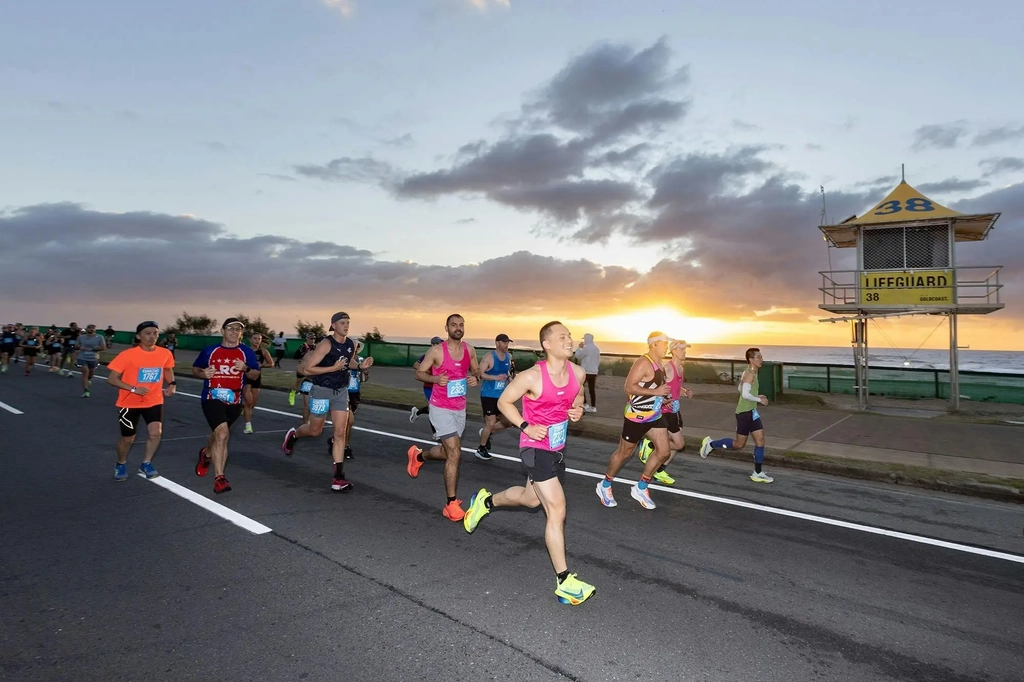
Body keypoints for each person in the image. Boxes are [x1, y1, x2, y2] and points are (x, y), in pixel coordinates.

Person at [463, 321, 595, 605]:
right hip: (536, 447)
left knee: (530, 500)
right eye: (562, 337)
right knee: (556, 508)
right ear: (547, 344)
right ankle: (564, 581)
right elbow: (504, 402)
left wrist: (578, 408)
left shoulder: (578, 373)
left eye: (569, 336)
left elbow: (578, 395)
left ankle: (484, 502)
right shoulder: (531, 376)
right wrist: (525, 426)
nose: (569, 340)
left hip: (558, 446)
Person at [281, 312, 373, 492]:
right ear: (333, 325)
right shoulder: (326, 344)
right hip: (321, 391)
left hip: (341, 392)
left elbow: (349, 362)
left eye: (348, 322)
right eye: (342, 323)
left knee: (340, 433)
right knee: (315, 431)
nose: (346, 326)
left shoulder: (351, 344)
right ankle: (294, 435)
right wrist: (333, 368)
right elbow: (308, 369)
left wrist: (361, 366)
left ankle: (338, 478)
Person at [405, 314, 480, 521]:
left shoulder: (470, 350)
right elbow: (419, 373)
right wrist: (436, 379)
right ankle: (451, 504)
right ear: (446, 328)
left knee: (448, 453)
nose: (458, 328)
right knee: (455, 453)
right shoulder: (437, 351)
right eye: (454, 325)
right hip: (440, 408)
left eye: (461, 324)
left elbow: (476, 369)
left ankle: (418, 456)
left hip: (459, 408)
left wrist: (475, 377)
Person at [596, 332, 673, 510]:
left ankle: (641, 487)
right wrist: (656, 393)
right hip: (636, 417)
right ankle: (605, 485)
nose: (666, 347)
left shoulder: (659, 364)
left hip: (654, 415)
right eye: (664, 343)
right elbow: (629, 387)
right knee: (624, 453)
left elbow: (652, 388)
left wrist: (663, 397)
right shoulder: (643, 362)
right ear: (653, 344)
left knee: (664, 452)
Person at [192, 318, 261, 494]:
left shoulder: (246, 353)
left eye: (238, 329)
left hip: (234, 400)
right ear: (223, 331)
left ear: (241, 333)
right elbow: (196, 368)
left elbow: (255, 375)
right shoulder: (211, 350)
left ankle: (207, 453)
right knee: (222, 434)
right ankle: (220, 478)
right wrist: (203, 373)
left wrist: (245, 368)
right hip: (212, 396)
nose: (234, 332)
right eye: (230, 328)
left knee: (218, 436)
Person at [105, 321, 176, 480]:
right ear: (139, 336)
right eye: (148, 333)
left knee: (155, 433)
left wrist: (172, 383)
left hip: (154, 400)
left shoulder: (164, 353)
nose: (152, 337)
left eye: (155, 333)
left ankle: (146, 462)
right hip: (129, 403)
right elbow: (111, 379)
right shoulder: (127, 355)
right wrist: (133, 388)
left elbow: (167, 368)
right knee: (128, 438)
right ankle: (121, 463)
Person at [700, 347, 774, 483]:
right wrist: (760, 400)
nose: (761, 359)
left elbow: (740, 388)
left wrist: (756, 396)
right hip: (744, 413)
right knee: (739, 444)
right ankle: (711, 444)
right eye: (758, 357)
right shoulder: (749, 374)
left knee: (760, 441)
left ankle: (757, 472)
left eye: (761, 357)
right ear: (751, 359)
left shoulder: (752, 372)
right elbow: (744, 394)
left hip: (752, 412)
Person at [637, 339, 693, 485]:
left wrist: (685, 391)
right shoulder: (667, 368)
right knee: (679, 444)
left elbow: (674, 385)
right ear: (673, 351)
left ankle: (659, 469)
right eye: (681, 349)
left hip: (675, 409)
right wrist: (663, 400)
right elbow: (657, 386)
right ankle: (650, 446)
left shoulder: (680, 369)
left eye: (685, 349)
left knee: (676, 444)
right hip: (664, 411)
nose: (684, 351)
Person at [475, 333, 514, 460]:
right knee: (490, 422)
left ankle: (487, 432)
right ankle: (481, 449)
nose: (506, 345)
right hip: (488, 395)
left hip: (502, 396)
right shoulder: (489, 357)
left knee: (508, 422)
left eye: (507, 343)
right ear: (497, 343)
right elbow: (479, 374)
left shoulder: (509, 356)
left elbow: (508, 373)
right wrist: (495, 377)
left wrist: (511, 380)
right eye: (504, 342)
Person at [333, 340, 371, 460]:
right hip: (343, 392)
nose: (355, 349)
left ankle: (336, 441)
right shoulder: (342, 359)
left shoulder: (360, 360)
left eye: (357, 348)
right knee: (349, 421)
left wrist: (365, 371)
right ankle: (345, 447)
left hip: (355, 393)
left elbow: (364, 378)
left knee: (347, 423)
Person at [409, 336, 443, 439]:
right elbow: (415, 365)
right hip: (429, 386)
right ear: (432, 345)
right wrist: (426, 371)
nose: (440, 346)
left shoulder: (443, 356)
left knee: (436, 408)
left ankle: (417, 412)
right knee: (433, 408)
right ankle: (435, 432)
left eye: (441, 344)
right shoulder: (427, 356)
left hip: (440, 386)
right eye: (438, 344)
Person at [242, 332, 275, 434]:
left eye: (259, 339)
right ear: (250, 339)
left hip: (256, 377)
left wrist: (262, 365)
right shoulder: (245, 350)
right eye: (255, 338)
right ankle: (248, 426)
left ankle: (244, 410)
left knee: (253, 403)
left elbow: (271, 363)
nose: (257, 340)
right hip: (246, 377)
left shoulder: (263, 351)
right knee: (248, 401)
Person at [76, 324, 108, 397]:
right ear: (87, 329)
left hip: (93, 358)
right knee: (85, 372)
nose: (91, 329)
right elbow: (76, 346)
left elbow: (103, 347)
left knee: (90, 374)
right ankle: (86, 390)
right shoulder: (81, 337)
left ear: (95, 330)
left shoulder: (99, 337)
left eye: (93, 328)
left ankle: (88, 379)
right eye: (90, 328)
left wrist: (92, 349)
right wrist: (80, 347)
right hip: (82, 357)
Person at [288, 333, 318, 407]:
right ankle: (292, 393)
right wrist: (303, 356)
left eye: (314, 338)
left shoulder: (316, 347)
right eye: (311, 338)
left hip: (311, 368)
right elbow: (295, 356)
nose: (312, 340)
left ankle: (310, 398)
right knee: (298, 382)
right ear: (307, 338)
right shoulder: (303, 346)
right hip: (302, 368)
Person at [574, 333, 601, 413]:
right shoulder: (596, 349)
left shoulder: (586, 349)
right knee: (591, 389)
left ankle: (585, 403)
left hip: (586, 371)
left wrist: (579, 348)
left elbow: (577, 356)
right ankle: (593, 406)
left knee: (580, 387)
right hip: (593, 371)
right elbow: (598, 360)